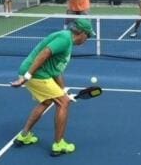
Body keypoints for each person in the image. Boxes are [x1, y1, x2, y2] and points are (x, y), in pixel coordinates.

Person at [11, 18, 95, 156]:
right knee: (63, 104)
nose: (87, 39)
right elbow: (45, 53)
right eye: (88, 35)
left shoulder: (66, 40)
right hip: (36, 74)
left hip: (37, 73)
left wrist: (63, 91)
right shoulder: (64, 39)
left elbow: (56, 71)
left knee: (47, 101)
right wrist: (27, 77)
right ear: (81, 33)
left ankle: (24, 135)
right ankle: (58, 144)